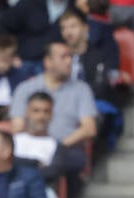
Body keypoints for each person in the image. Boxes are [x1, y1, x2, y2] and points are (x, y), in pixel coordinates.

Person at [8, 42, 97, 182]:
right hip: (30, 147)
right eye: (63, 57)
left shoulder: (81, 89)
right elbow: (17, 127)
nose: (69, 62)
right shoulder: (25, 88)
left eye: (70, 57)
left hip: (65, 148)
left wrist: (57, 147)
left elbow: (89, 128)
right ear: (48, 62)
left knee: (74, 159)